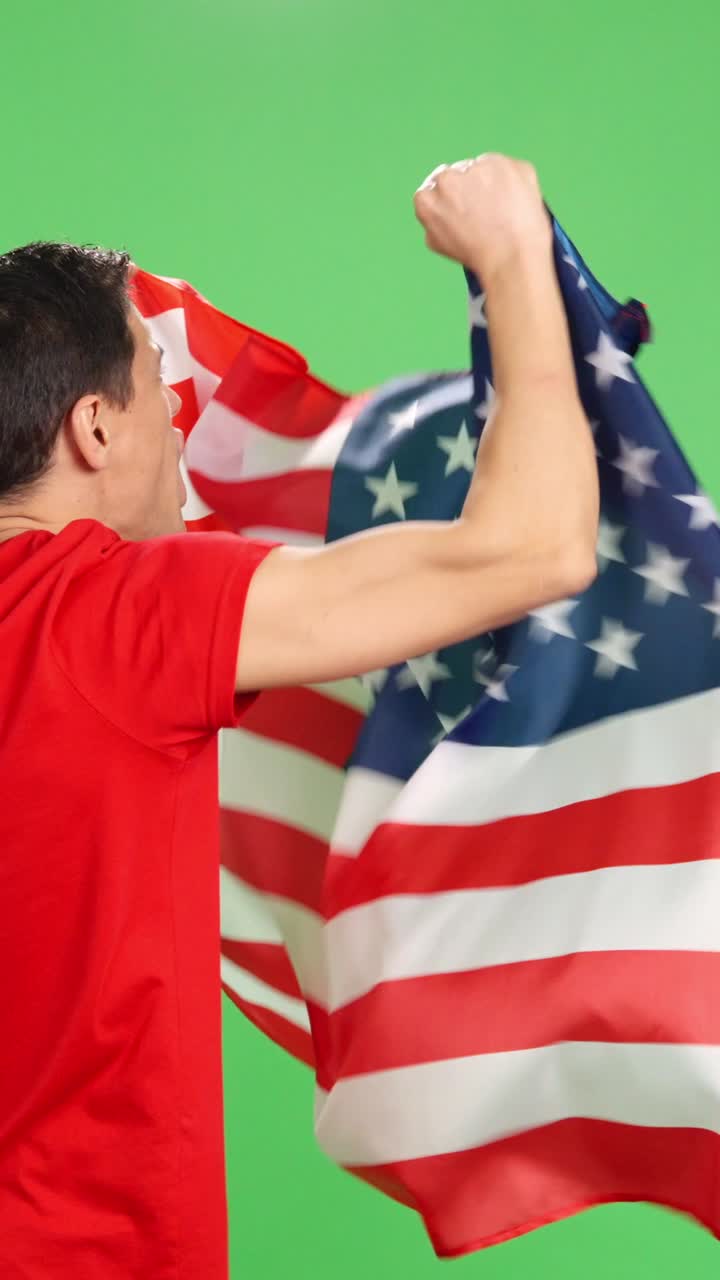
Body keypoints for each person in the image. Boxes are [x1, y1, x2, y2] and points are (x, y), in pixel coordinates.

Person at [0, 154, 598, 1279]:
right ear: (94, 428)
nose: (185, 438)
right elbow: (538, 545)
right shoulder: (117, 613)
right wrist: (515, 250)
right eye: (165, 400)